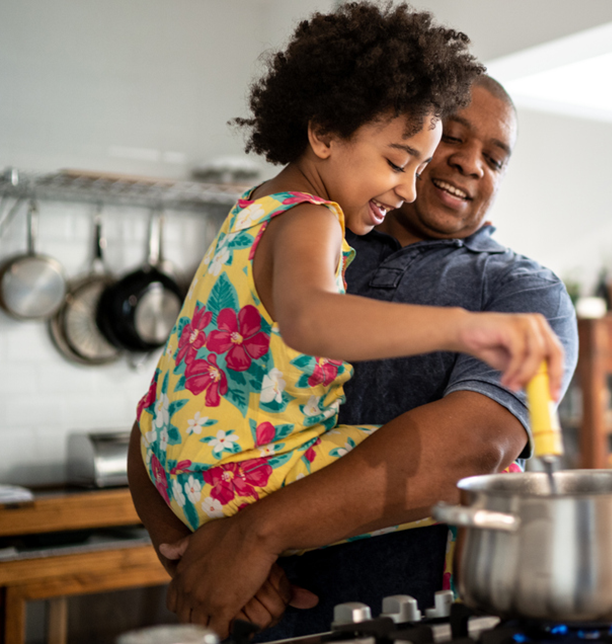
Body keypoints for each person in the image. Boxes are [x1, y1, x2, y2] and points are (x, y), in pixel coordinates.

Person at [125, 3, 565, 638]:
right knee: (497, 482)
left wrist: (238, 537)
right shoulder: (314, 224)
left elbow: (169, 402)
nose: (412, 186)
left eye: (495, 158)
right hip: (230, 494)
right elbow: (312, 320)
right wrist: (464, 328)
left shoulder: (255, 213)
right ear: (326, 132)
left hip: (195, 475)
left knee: (479, 463)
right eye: (400, 160)